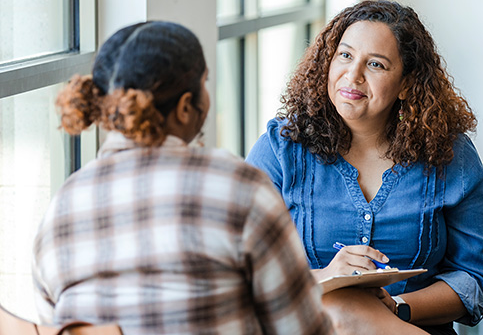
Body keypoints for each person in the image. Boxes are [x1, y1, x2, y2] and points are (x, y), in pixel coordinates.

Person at [32, 21, 334, 335]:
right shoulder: (238, 188)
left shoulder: (61, 208)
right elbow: (302, 328)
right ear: (185, 107)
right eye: (204, 82)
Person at [246, 0, 483, 335]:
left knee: (346, 309)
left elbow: (476, 279)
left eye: (376, 64)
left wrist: (398, 308)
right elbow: (239, 270)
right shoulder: (282, 150)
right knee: (337, 306)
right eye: (345, 55)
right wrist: (325, 278)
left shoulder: (451, 155)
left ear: (407, 83)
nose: (353, 76)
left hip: (412, 325)